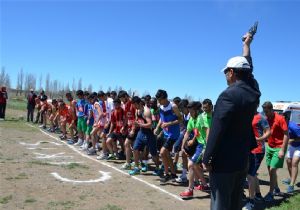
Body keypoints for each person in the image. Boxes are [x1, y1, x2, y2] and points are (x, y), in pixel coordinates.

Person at [202, 32, 261, 210]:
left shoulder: (228, 96)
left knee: (220, 203)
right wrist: (246, 45)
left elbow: (217, 129)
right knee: (235, 203)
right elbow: (249, 71)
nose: (225, 75)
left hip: (224, 162)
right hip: (242, 159)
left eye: (226, 72)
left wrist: (207, 156)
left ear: (232, 72)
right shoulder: (253, 92)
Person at [180, 101, 209, 198]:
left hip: (205, 145)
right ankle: (205, 185)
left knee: (191, 164)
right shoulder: (192, 119)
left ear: (197, 110)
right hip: (200, 145)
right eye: (189, 111)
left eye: (192, 111)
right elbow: (187, 133)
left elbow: (208, 131)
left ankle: (190, 189)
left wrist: (207, 148)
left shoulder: (202, 118)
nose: (190, 113)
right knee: (195, 165)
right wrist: (182, 146)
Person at [243, 108, 271, 210]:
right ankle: (258, 195)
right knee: (253, 174)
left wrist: (259, 139)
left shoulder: (261, 117)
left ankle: (251, 201)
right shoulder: (247, 116)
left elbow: (268, 132)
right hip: (249, 149)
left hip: (258, 150)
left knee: (250, 175)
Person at [262, 101, 289, 201]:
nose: (266, 114)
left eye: (267, 112)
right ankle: (276, 188)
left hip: (279, 148)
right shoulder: (266, 118)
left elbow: (286, 134)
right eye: (264, 112)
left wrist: (282, 150)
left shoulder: (280, 118)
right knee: (270, 171)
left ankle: (270, 193)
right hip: (269, 147)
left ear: (271, 109)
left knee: (273, 169)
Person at [155, 89, 182, 183]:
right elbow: (161, 119)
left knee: (162, 152)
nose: (158, 101)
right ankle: (173, 174)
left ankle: (166, 174)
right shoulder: (160, 106)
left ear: (164, 98)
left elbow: (180, 119)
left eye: (159, 99)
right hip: (166, 133)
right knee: (166, 154)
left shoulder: (173, 106)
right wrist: (158, 128)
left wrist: (169, 124)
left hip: (173, 134)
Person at [129, 96, 160, 175]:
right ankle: (137, 168)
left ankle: (157, 168)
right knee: (135, 149)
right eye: (133, 104)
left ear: (139, 103)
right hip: (141, 132)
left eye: (135, 104)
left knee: (153, 153)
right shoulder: (137, 111)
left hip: (149, 134)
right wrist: (133, 130)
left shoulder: (147, 111)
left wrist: (139, 124)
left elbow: (150, 124)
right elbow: (136, 121)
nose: (134, 106)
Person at [282, 111, 300, 193]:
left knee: (294, 162)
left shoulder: (293, 126)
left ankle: (292, 185)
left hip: (299, 146)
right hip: (292, 146)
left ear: (286, 118)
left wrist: (292, 140)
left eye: (282, 117)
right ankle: (291, 178)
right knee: (288, 161)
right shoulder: (283, 124)